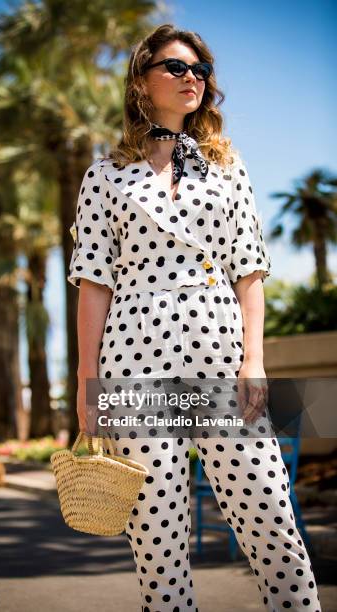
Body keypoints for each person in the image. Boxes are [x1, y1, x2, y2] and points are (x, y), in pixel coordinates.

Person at [67, 23, 321, 612]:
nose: (193, 79)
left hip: (220, 356)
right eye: (177, 68)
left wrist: (255, 360)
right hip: (134, 363)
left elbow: (250, 271)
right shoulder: (105, 175)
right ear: (141, 82)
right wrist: (87, 386)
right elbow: (93, 285)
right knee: (157, 539)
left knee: (269, 513)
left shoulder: (228, 168)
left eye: (201, 71)